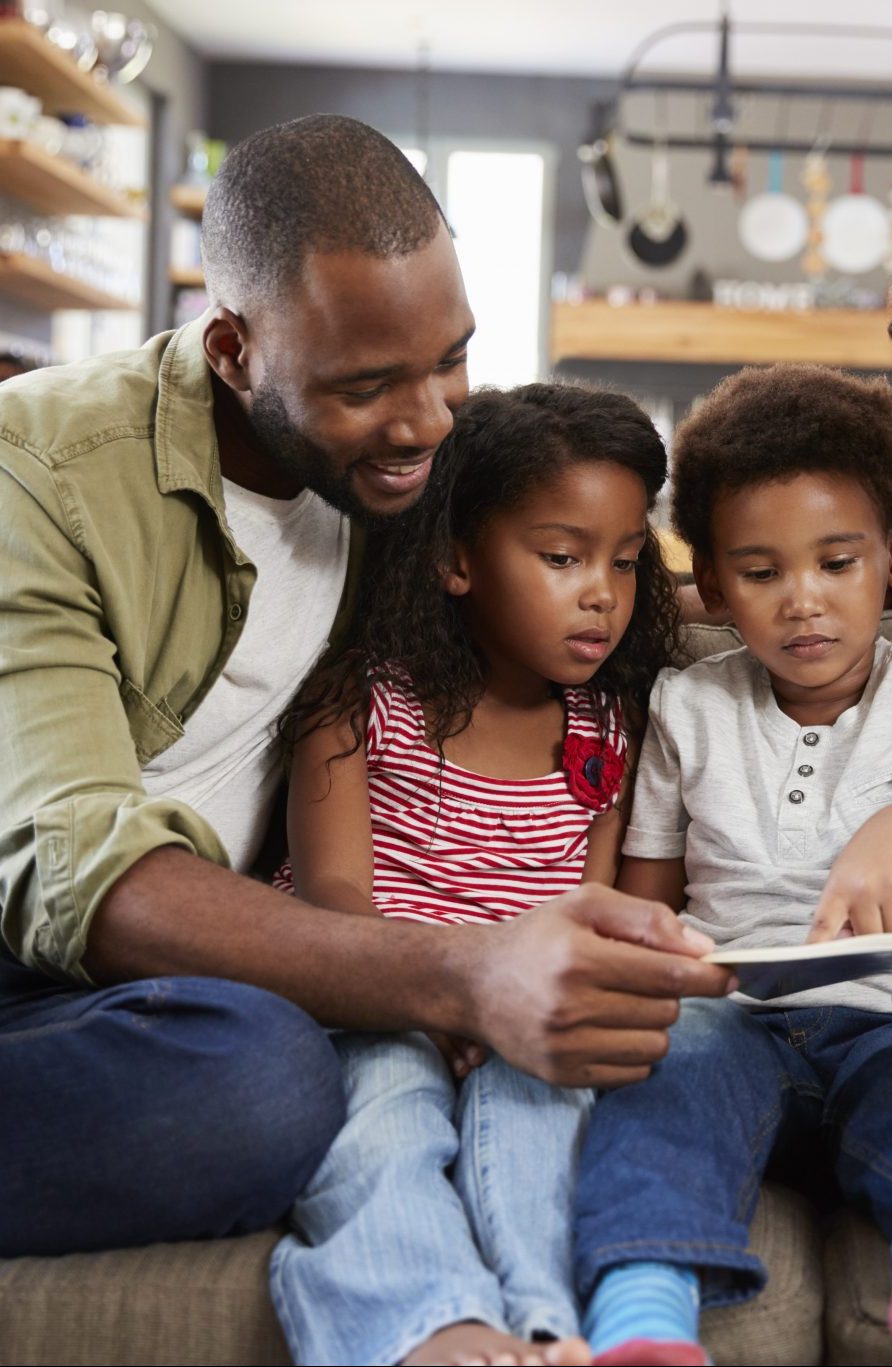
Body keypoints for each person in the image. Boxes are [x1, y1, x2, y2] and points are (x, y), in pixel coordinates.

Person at [0, 114, 735, 1261]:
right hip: (37, 949)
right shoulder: (36, 475)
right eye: (367, 383)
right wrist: (455, 972)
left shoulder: (393, 476)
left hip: (161, 995)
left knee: (260, 1060)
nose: (430, 419)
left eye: (450, 358)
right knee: (268, 1081)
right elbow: (82, 870)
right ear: (235, 350)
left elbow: (554, 575)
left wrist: (799, 582)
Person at [570, 365, 892, 1367]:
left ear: (889, 559)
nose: (802, 601)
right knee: (665, 1079)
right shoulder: (685, 704)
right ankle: (641, 1317)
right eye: (759, 574)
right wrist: (658, 964)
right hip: (730, 1017)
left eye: (836, 562)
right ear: (711, 584)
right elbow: (647, 898)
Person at [267, 382, 683, 1367]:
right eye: (561, 557)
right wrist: (434, 990)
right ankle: (427, 1321)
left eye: (625, 563)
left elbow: (594, 907)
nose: (601, 594)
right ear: (456, 557)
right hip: (372, 1002)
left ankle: (543, 1325)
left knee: (540, 1125)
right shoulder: (362, 702)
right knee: (384, 1120)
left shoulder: (611, 727)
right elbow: (332, 901)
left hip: (521, 1022)